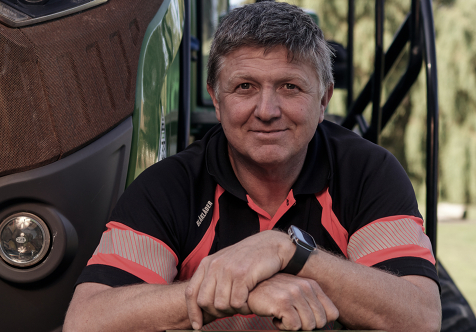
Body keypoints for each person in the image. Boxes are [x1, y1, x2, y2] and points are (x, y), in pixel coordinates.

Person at [63, 2, 441, 331]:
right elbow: (87, 321)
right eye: (244, 86)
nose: (267, 111)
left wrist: (289, 252)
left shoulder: (367, 172)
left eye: (290, 87)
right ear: (216, 98)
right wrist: (234, 294)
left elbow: (420, 317)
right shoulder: (170, 186)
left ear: (323, 98)